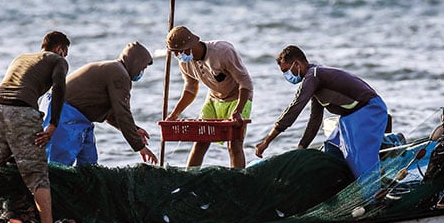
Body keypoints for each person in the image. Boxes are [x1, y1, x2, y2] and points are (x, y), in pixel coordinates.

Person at [0, 31, 70, 223]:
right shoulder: (57, 60)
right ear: (60, 49)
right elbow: (59, 88)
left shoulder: (21, 58)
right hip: (21, 111)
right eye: (65, 52)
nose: (65, 57)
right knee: (37, 174)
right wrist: (53, 124)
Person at [255, 45, 388, 180]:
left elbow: (295, 107)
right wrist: (302, 147)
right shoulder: (315, 82)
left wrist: (267, 141)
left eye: (286, 70)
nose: (286, 75)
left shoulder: (313, 76)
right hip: (348, 119)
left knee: (360, 159)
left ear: (296, 64)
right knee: (332, 149)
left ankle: (373, 194)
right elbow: (315, 120)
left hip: (369, 110)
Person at [44, 41, 158, 166]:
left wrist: (135, 130)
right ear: (136, 63)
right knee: (59, 164)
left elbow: (111, 115)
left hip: (80, 117)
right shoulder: (119, 74)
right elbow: (122, 113)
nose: (141, 72)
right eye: (143, 68)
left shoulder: (115, 69)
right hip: (64, 112)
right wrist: (140, 146)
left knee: (89, 164)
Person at [165, 26, 253, 169]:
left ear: (191, 46)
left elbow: (246, 83)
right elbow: (190, 89)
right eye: (174, 53)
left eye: (179, 52)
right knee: (201, 140)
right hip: (214, 98)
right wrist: (174, 114)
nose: (177, 56)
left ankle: (238, 179)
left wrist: (238, 111)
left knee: (234, 144)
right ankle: (190, 177)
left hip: (238, 97)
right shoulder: (184, 63)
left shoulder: (223, 51)